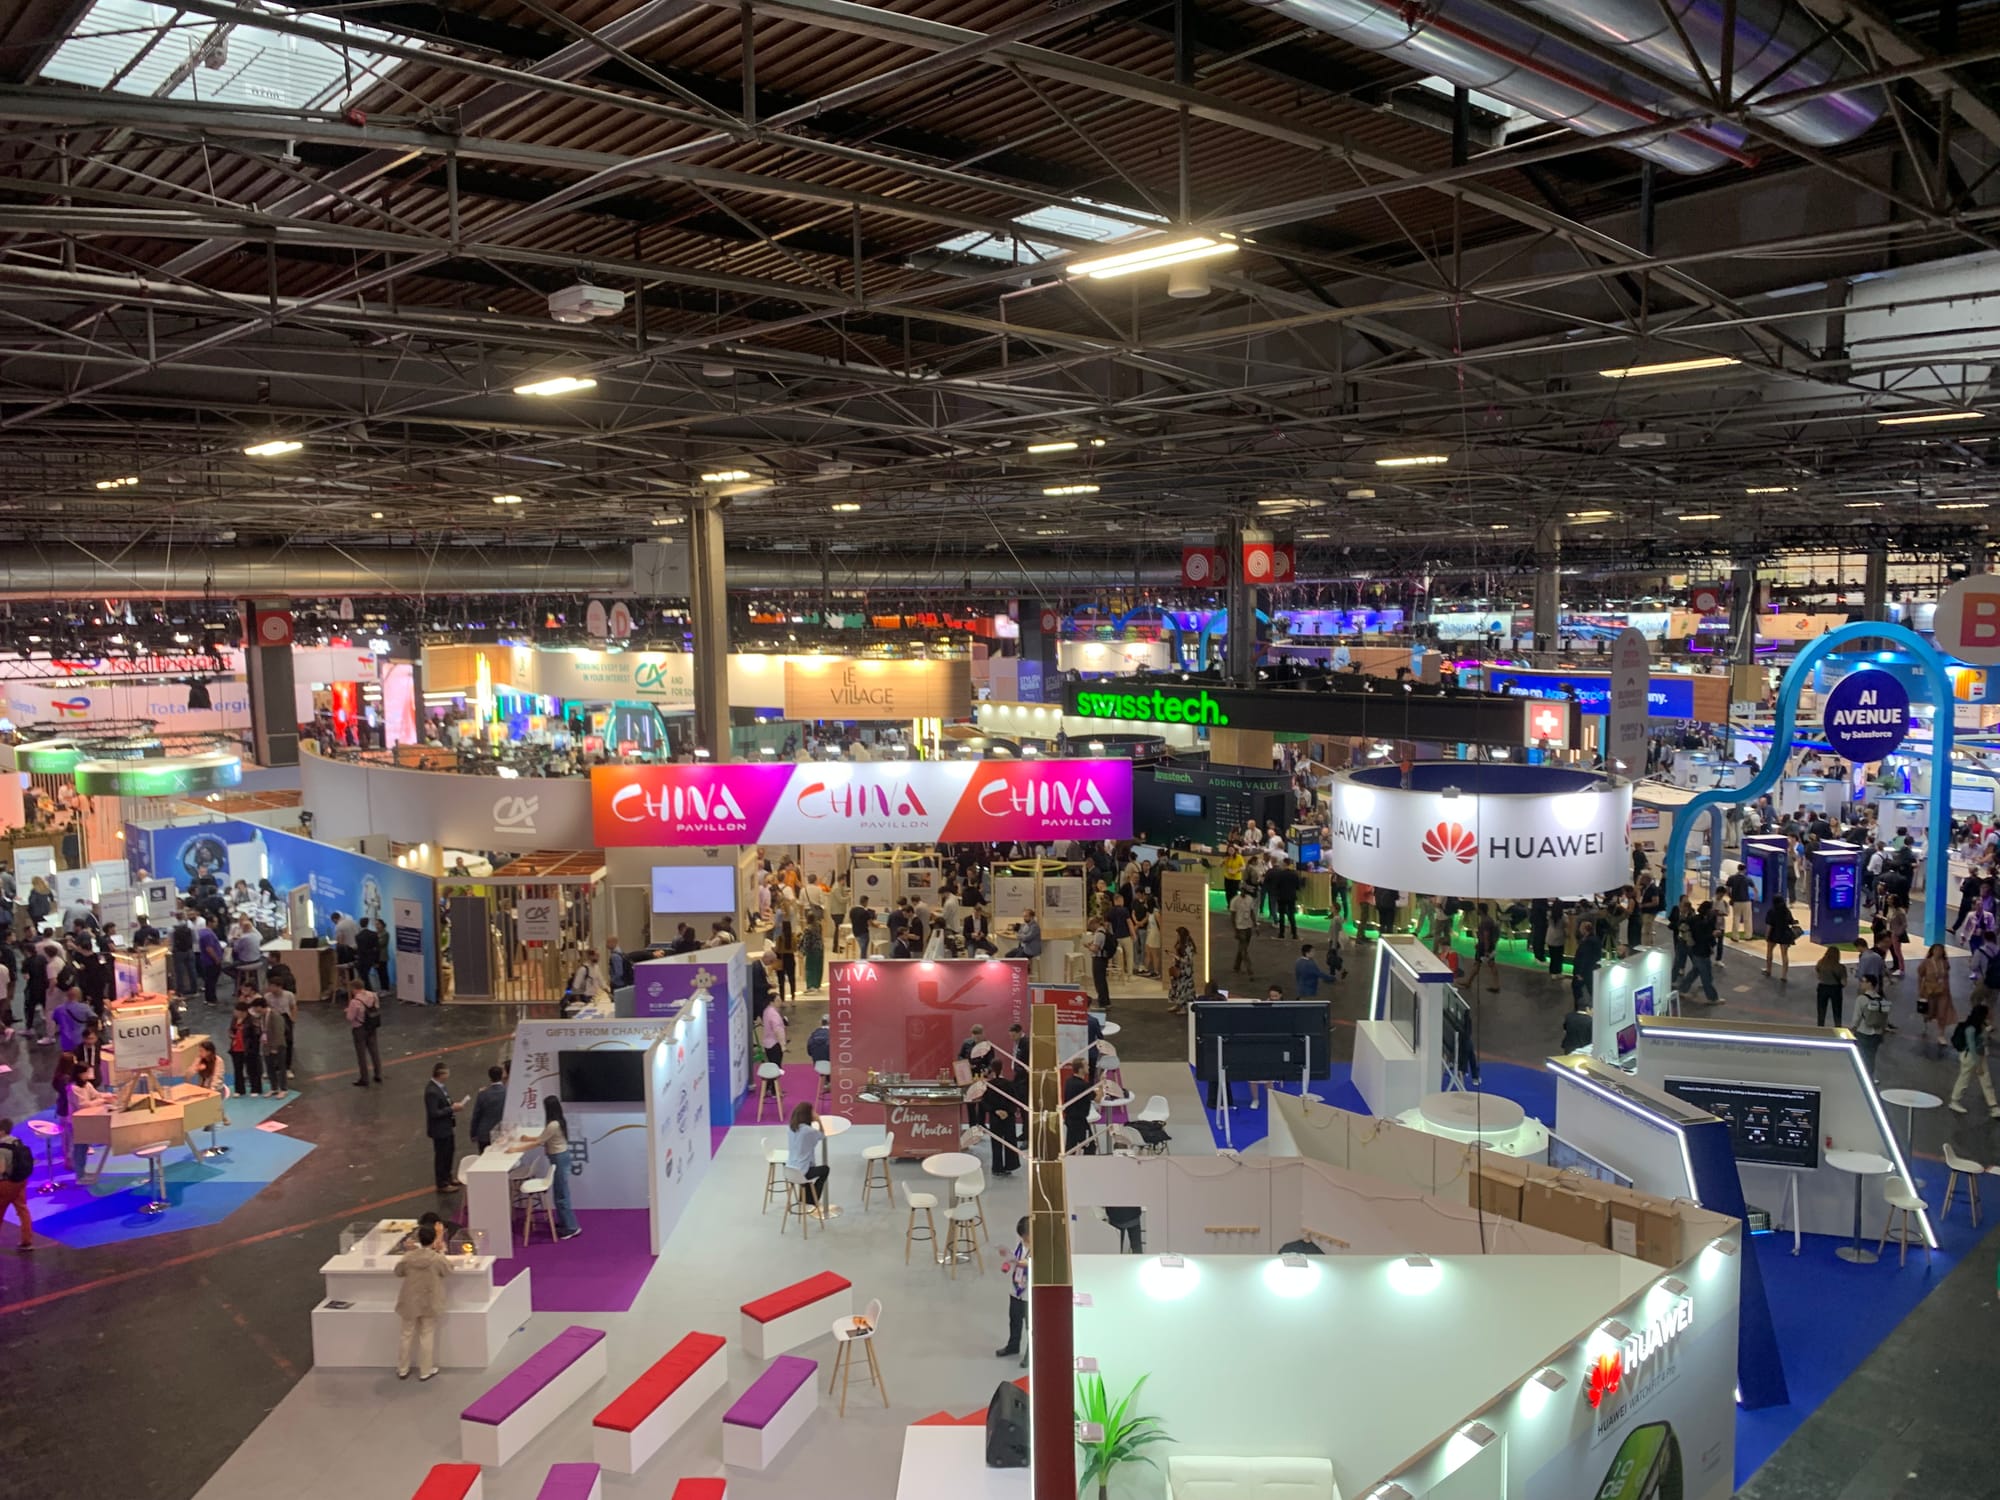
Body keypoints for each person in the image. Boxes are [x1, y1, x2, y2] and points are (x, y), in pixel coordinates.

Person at [509, 1097, 581, 1239]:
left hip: (559, 1159)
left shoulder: (553, 1124)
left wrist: (516, 1149)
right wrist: (527, 1138)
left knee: (561, 1195)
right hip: (560, 1158)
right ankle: (565, 1223)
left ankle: (571, 1227)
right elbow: (542, 1138)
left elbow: (539, 1142)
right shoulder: (557, 1122)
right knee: (560, 1193)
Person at [393, 1220, 451, 1381]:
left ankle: (402, 1368)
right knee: (427, 1334)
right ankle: (425, 1370)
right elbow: (448, 1270)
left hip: (410, 1300)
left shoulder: (408, 1257)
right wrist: (442, 1252)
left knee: (406, 1334)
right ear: (434, 1240)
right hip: (430, 1300)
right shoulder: (437, 1259)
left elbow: (398, 1272)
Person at [1948, 1003, 2000, 1117]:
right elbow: (1972, 1047)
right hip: (1971, 1057)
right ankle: (1954, 1100)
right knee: (1964, 1079)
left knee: (1985, 1080)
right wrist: (1978, 1065)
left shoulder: (1980, 1025)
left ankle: (1993, 1105)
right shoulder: (1971, 1029)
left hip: (1980, 1054)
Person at [425, 1062, 463, 1195]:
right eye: (446, 1073)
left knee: (449, 1153)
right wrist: (451, 1109)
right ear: (441, 1074)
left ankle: (448, 1177)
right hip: (439, 1129)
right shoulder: (432, 1092)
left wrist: (453, 1105)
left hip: (447, 1127)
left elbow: (445, 1103)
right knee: (441, 1156)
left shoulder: (441, 1088)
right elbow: (434, 1113)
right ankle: (442, 1183)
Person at [996, 1214, 1029, 1358]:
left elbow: (1031, 1263)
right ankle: (1013, 1346)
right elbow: (1014, 1258)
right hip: (1016, 1290)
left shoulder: (1041, 1247)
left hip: (1028, 1293)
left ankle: (1030, 1353)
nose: (1024, 1239)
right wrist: (1007, 1259)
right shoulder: (1020, 1244)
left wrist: (1019, 1262)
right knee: (1014, 1319)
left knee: (1030, 1326)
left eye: (1026, 1236)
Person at [1918, 942, 1957, 1058]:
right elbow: (1920, 975)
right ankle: (1926, 1020)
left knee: (1942, 1013)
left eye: (1940, 950)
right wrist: (1920, 990)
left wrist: (1948, 990)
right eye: (1936, 950)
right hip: (1929, 991)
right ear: (1932, 951)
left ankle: (1941, 1034)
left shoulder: (1945, 963)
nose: (1938, 952)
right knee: (1929, 1012)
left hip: (1943, 992)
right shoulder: (1926, 963)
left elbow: (1946, 977)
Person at [787, 1101, 828, 1209]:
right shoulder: (808, 1131)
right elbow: (822, 1136)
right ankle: (812, 1199)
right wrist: (819, 1121)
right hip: (802, 1171)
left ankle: (805, 1197)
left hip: (789, 1169)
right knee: (825, 1169)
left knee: (811, 1167)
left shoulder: (792, 1127)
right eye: (813, 1111)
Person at [0, 1117, 34, 1251]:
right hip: (21, 1181)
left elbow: (1, 1170)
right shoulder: (17, 1142)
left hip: (7, 1184)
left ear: (1, 1131)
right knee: (22, 1209)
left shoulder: (1, 1148)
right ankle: (27, 1241)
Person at [347, 985, 384, 1085]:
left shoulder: (355, 1002)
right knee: (374, 1051)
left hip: (359, 1029)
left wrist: (348, 1010)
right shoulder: (373, 995)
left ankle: (364, 1078)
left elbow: (350, 1017)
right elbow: (376, 1007)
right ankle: (378, 1074)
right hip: (372, 1026)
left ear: (355, 989)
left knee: (361, 1055)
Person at [252, 994, 288, 1096]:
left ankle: (283, 1089)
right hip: (266, 1046)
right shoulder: (262, 1016)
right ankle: (274, 1087)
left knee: (280, 1068)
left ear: (259, 1007)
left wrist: (275, 1047)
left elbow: (279, 1032)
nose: (254, 1010)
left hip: (278, 1046)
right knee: (269, 1067)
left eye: (255, 1008)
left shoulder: (275, 1016)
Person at [469, 1065, 507, 1153]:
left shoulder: (483, 1094)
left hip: (484, 1134)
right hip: (501, 1134)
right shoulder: (507, 1092)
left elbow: (476, 1115)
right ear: (501, 1076)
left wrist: (473, 1133)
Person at [263, 976, 298, 1073]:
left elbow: (293, 1006)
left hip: (285, 1018)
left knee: (288, 1042)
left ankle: (287, 1067)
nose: (270, 988)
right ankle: (273, 1066)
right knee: (272, 1043)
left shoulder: (289, 995)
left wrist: (293, 1019)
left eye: (273, 986)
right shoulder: (267, 996)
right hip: (273, 1019)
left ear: (280, 987)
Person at [1762, 895, 1800, 979]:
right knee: (1784, 955)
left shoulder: (1771, 911)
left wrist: (1766, 935)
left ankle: (1768, 970)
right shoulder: (1787, 911)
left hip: (1773, 934)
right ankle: (1784, 976)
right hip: (1785, 934)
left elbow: (1769, 925)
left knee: (1769, 952)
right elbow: (1791, 922)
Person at [1467, 905, 1500, 993]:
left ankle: (1468, 982)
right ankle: (1495, 984)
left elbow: (1486, 936)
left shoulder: (1485, 922)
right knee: (1486, 964)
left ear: (1481, 910)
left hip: (1484, 947)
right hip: (1488, 945)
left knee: (1480, 963)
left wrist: (1485, 949)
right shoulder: (1489, 920)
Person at [1571, 918, 1603, 1009]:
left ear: (1584, 929)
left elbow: (1584, 959)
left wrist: (1579, 973)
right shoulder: (1595, 940)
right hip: (1590, 972)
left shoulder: (1588, 942)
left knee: (1582, 995)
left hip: (1584, 974)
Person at [1813, 944, 1847, 1027]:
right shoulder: (1840, 967)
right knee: (1837, 1010)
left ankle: (1820, 1028)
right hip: (1835, 989)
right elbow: (1843, 982)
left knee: (1821, 1010)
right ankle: (1838, 1027)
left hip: (1822, 988)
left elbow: (1818, 976)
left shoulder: (1820, 964)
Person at [1228, 885, 1257, 975]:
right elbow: (1232, 917)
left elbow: (1252, 912)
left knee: (1242, 948)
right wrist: (1235, 930)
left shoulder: (1250, 899)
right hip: (1240, 928)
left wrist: (1255, 925)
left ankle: (1236, 966)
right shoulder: (1234, 901)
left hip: (1248, 926)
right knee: (1244, 950)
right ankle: (1249, 969)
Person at [1167, 927, 1196, 1014]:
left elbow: (1188, 960)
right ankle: (1178, 1005)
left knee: (1184, 989)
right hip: (1178, 969)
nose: (1177, 937)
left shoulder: (1189, 946)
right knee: (1177, 987)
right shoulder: (1180, 943)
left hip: (1185, 971)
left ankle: (1183, 1008)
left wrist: (1177, 958)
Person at [1085, 918, 1111, 1010]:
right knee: (1102, 981)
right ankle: (1105, 1001)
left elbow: (1095, 949)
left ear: (1094, 924)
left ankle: (1102, 1002)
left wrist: (1088, 946)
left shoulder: (1099, 934)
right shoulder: (1103, 931)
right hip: (1103, 959)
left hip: (1098, 959)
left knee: (1099, 981)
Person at [354, 918, 386, 992]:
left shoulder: (358, 936)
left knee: (364, 976)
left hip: (363, 960)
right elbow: (377, 949)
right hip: (371, 958)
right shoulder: (374, 934)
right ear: (367, 924)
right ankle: (369, 991)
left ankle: (368, 991)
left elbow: (360, 950)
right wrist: (376, 961)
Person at [1724, 866, 1752, 942]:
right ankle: (1748, 936)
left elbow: (1727, 889)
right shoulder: (1747, 878)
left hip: (1736, 901)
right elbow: (1755, 889)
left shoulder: (1732, 878)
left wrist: (1731, 897)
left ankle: (1735, 937)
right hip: (1746, 901)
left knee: (1736, 918)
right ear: (1745, 870)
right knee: (1747, 919)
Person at [760, 998, 787, 1069]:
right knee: (776, 1066)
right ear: (771, 1002)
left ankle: (771, 1079)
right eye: (777, 1001)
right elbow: (777, 1030)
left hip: (767, 1043)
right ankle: (773, 1080)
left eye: (780, 1000)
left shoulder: (766, 1011)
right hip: (774, 1043)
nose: (780, 1002)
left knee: (771, 1065)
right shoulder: (774, 1015)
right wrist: (782, 1045)